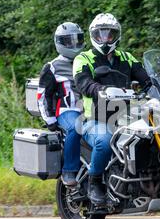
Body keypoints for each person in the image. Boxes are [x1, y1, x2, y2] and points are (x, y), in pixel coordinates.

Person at [73, 13, 151, 207]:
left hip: (125, 118)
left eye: (110, 34)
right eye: (101, 34)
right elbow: (84, 83)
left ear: (117, 36)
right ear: (94, 36)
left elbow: (146, 78)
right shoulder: (84, 59)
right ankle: (95, 182)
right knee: (105, 141)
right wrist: (99, 89)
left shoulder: (126, 57)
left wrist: (159, 85)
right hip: (94, 119)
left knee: (153, 133)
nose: (105, 39)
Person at [38, 22, 84, 186]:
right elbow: (42, 95)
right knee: (76, 126)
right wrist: (49, 119)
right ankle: (69, 171)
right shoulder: (52, 67)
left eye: (77, 40)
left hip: (91, 110)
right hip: (66, 111)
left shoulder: (87, 61)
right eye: (69, 41)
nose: (74, 44)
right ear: (60, 43)